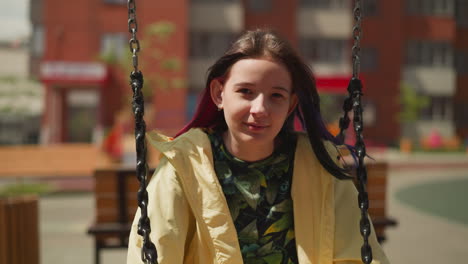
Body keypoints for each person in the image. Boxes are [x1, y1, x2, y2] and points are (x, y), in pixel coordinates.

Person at [127, 29, 389, 264]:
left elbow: (355, 254)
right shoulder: (184, 166)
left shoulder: (320, 166)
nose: (260, 109)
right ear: (219, 93)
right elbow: (157, 249)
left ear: (291, 104)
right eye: (246, 91)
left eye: (276, 96)